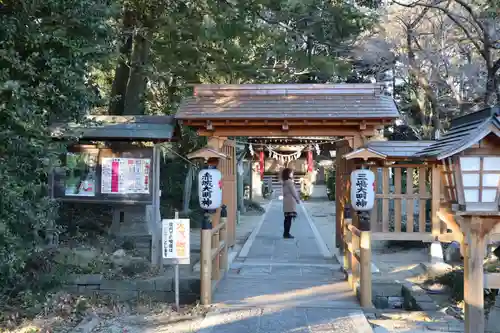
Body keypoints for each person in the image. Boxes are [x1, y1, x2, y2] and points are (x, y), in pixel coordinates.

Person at [281, 167, 300, 239]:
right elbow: (293, 192)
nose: (292, 174)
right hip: (290, 201)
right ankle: (287, 233)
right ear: (288, 174)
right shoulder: (289, 182)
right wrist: (297, 199)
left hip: (286, 201)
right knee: (289, 218)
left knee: (286, 218)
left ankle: (285, 233)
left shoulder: (285, 182)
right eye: (291, 173)